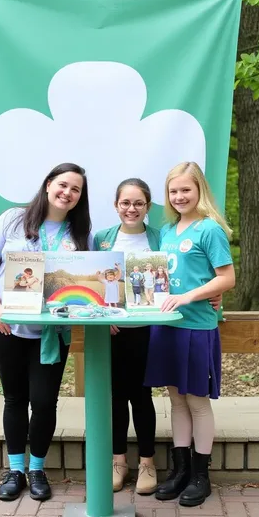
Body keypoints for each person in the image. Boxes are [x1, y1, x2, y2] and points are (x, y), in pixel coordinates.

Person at [0, 163, 91, 502]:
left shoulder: (80, 234)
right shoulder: (13, 219)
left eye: (76, 189)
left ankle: (38, 469)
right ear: (47, 185)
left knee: (43, 402)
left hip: (51, 334)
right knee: (15, 399)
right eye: (63, 185)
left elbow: (89, 282)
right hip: (6, 327)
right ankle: (15, 470)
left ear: (79, 198)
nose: (67, 193)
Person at [145, 161, 235, 507]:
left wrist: (191, 295)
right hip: (165, 327)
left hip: (196, 327)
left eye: (186, 189)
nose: (180, 196)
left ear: (199, 190)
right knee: (176, 400)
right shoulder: (168, 231)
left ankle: (201, 475)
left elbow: (226, 278)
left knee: (197, 401)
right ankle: (180, 471)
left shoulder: (209, 229)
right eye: (173, 191)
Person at [93, 178, 160, 495]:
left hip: (148, 332)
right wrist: (102, 317)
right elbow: (92, 281)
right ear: (116, 205)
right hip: (113, 333)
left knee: (142, 397)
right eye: (125, 203)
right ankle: (118, 462)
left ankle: (148, 463)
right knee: (116, 398)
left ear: (147, 206)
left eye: (138, 203)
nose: (131, 209)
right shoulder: (102, 239)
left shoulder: (159, 239)